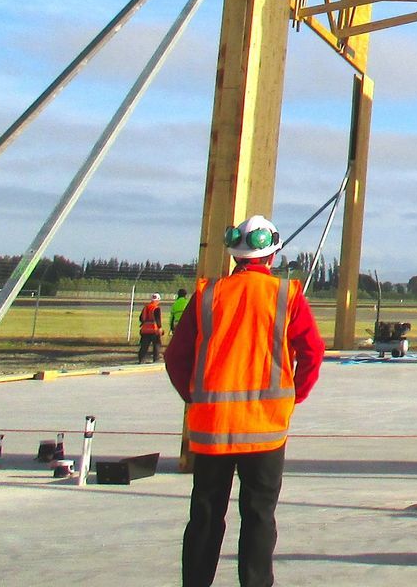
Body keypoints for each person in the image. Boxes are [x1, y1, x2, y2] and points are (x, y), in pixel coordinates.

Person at [166, 215, 325, 587]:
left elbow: (176, 357)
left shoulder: (208, 294)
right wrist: (293, 396)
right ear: (272, 256)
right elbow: (313, 352)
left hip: (212, 428)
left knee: (205, 514)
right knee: (258, 515)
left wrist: (195, 398)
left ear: (235, 255)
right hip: (265, 428)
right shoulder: (287, 295)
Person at [138, 293, 165, 363]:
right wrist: (160, 328)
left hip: (145, 330)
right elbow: (158, 319)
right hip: (154, 330)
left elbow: (141, 318)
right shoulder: (156, 308)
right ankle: (156, 359)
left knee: (144, 346)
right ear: (158, 300)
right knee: (156, 345)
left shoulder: (146, 307)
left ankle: (141, 359)